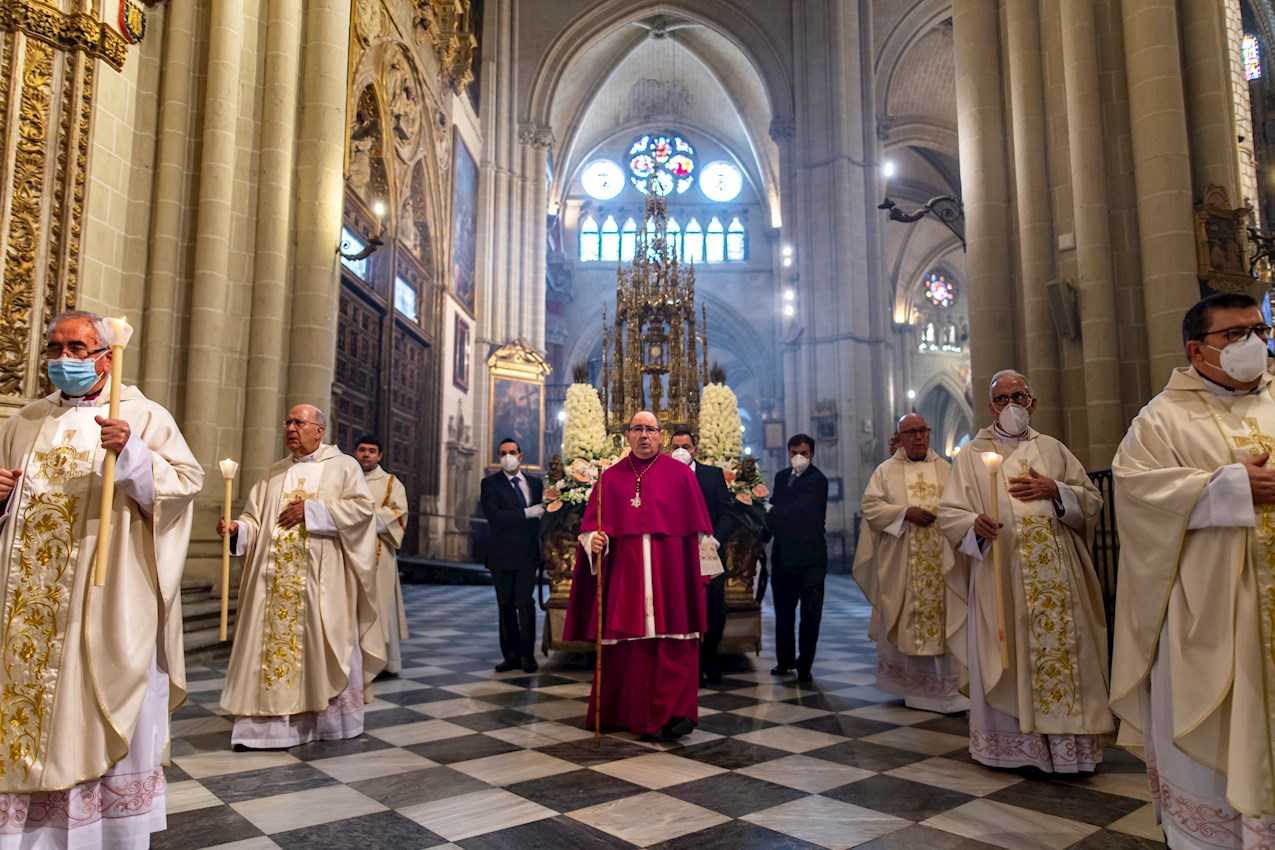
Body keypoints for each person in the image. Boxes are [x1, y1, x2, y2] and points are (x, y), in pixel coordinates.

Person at [0, 310, 202, 849]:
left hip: (104, 599)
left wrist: (133, 454)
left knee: (98, 700)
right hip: (26, 606)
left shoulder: (144, 416)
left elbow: (185, 486)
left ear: (106, 356)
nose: (63, 359)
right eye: (55, 348)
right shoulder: (24, 421)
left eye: (78, 348)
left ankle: (105, 835)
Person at [1111, 292, 1275, 846]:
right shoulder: (1160, 420)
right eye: (1234, 334)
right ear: (1196, 350)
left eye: (1259, 330)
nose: (1253, 343)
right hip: (1210, 625)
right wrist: (1229, 485)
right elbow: (1134, 497)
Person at [938, 370, 1112, 772]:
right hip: (1002, 575)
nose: (1012, 405)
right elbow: (950, 514)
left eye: (1019, 396)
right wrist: (972, 526)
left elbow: (1092, 500)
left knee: (1066, 654)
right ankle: (1013, 748)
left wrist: (1058, 492)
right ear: (990, 406)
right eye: (1003, 398)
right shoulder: (971, 456)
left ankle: (1069, 753)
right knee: (1008, 654)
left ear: (1033, 402)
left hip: (1059, 578)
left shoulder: (1053, 449)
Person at [219, 404, 385, 748]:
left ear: (319, 431)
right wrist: (238, 528)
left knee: (320, 645)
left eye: (299, 422)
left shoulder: (343, 466)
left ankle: (323, 722)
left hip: (320, 584)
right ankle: (267, 729)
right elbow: (255, 518)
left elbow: (363, 511)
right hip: (272, 586)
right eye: (288, 422)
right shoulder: (273, 473)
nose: (291, 428)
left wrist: (313, 511)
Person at [563, 411, 717, 740]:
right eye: (637, 429)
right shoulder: (611, 477)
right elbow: (590, 529)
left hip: (671, 574)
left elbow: (701, 533)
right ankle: (627, 714)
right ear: (627, 436)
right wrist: (596, 541)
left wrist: (698, 580)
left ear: (661, 436)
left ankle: (675, 714)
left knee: (674, 641)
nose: (644, 435)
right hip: (627, 577)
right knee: (628, 645)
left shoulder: (681, 475)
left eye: (650, 429)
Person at [853, 413, 968, 713]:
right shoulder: (885, 471)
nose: (918, 437)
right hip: (904, 562)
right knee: (906, 619)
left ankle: (949, 692)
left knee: (947, 620)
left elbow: (963, 507)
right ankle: (910, 688)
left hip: (942, 563)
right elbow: (870, 506)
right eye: (911, 432)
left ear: (929, 433)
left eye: (923, 431)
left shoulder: (947, 469)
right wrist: (905, 513)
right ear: (900, 437)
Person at [670, 429, 737, 684]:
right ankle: (689, 664)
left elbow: (728, 512)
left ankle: (710, 658)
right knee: (681, 609)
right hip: (675, 554)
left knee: (714, 609)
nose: (681, 451)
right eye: (676, 446)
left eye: (686, 446)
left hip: (709, 551)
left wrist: (715, 538)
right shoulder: (662, 475)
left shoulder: (712, 475)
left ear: (694, 449)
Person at [479, 438, 545, 673]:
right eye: (503, 453)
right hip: (502, 553)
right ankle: (511, 656)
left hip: (528, 554)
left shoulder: (536, 484)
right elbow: (495, 516)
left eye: (512, 452)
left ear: (520, 456)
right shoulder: (490, 484)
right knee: (505, 606)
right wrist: (527, 512)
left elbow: (543, 518)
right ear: (499, 457)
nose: (508, 456)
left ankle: (529, 655)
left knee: (525, 604)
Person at [768, 433, 829, 682]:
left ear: (812, 454)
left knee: (810, 614)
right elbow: (773, 507)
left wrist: (771, 511)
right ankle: (784, 660)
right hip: (783, 555)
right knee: (783, 612)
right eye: (794, 453)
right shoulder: (781, 477)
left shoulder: (818, 480)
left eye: (803, 453)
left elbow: (801, 512)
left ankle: (805, 664)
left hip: (810, 558)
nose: (798, 458)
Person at [355, 434, 409, 678]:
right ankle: (354, 662)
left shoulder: (391, 482)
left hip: (379, 552)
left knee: (381, 606)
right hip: (349, 553)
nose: (366, 454)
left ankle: (384, 662)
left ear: (380, 455)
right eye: (362, 450)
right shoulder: (345, 479)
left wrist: (364, 519)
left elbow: (398, 512)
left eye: (372, 450)